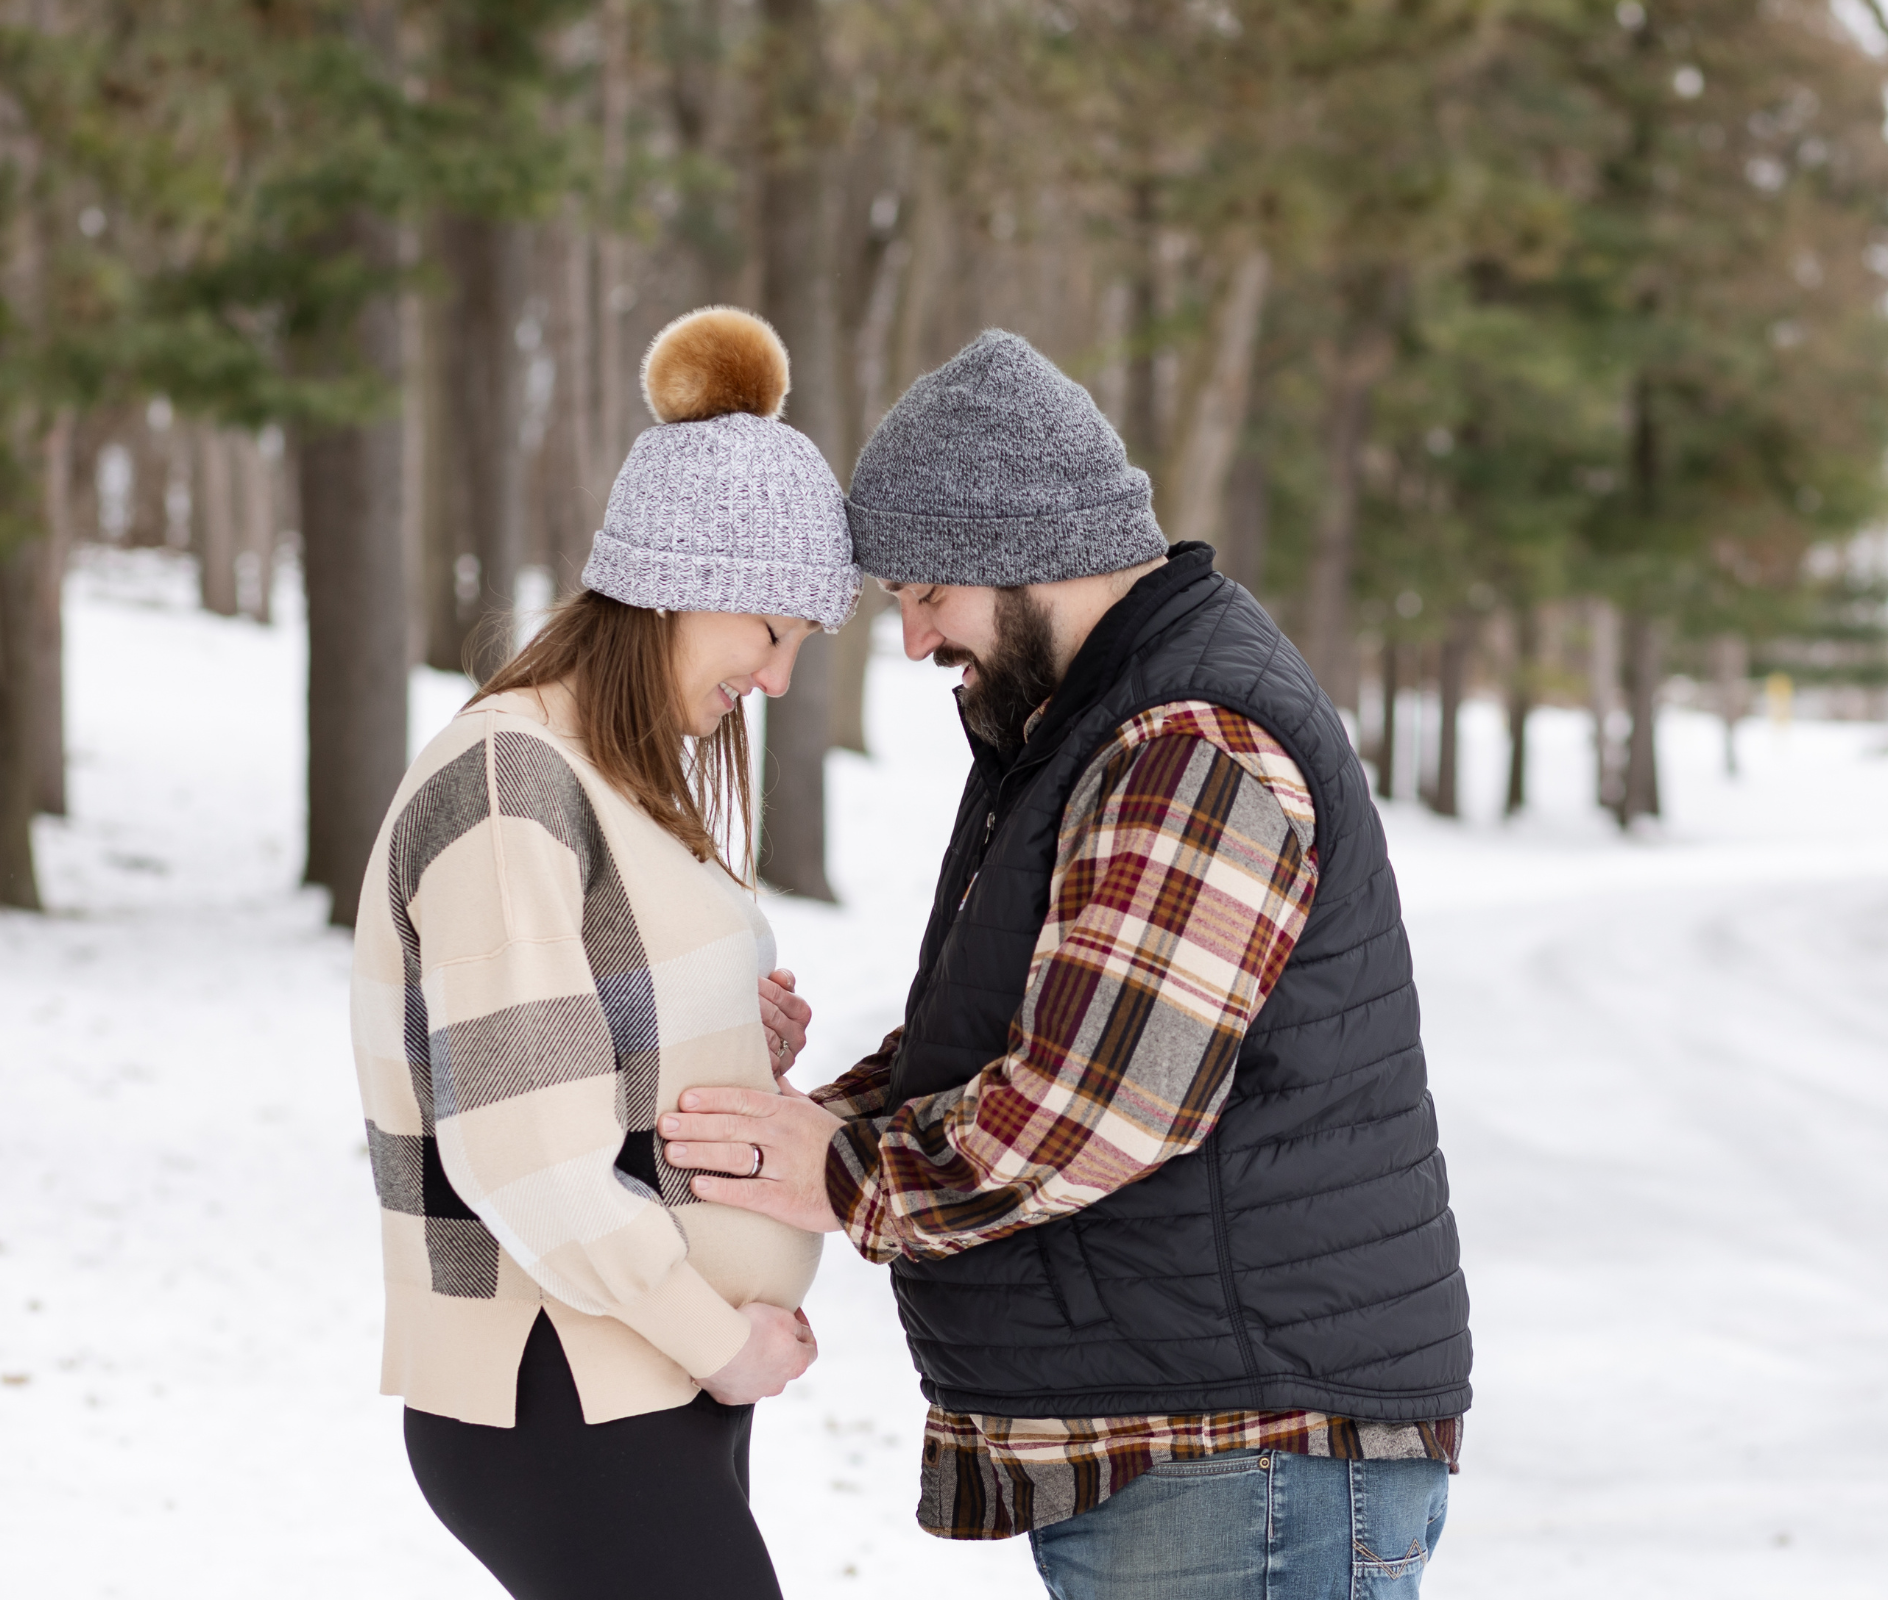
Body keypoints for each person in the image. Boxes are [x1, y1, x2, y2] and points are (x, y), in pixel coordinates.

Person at [657, 330, 1473, 1599]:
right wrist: (808, 1121)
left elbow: (1102, 1101)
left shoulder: (1186, 739)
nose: (919, 638)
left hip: (1235, 1456)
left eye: (929, 593)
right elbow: (1016, 1043)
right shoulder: (1086, 730)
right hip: (1188, 1449)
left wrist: (841, 1171)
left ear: (1025, 556)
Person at [347, 306, 856, 1600]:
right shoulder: (514, 783)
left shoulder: (624, 783)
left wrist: (733, 1032)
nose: (779, 679)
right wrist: (716, 1339)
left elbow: (591, 1041)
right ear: (684, 584)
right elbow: (520, 1147)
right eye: (774, 629)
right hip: (556, 1376)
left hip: (633, 1373)